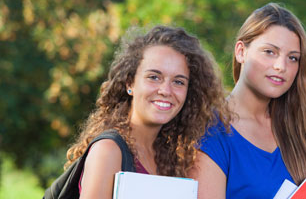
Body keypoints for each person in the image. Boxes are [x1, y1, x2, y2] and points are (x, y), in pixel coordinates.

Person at [63, 25, 229, 198]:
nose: (166, 90)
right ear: (130, 83)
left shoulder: (172, 158)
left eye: (178, 82)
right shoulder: (108, 151)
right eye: (154, 77)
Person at [189, 3, 306, 199]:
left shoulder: (301, 128)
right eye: (269, 52)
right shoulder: (208, 129)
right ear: (241, 52)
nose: (281, 66)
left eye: (293, 58)